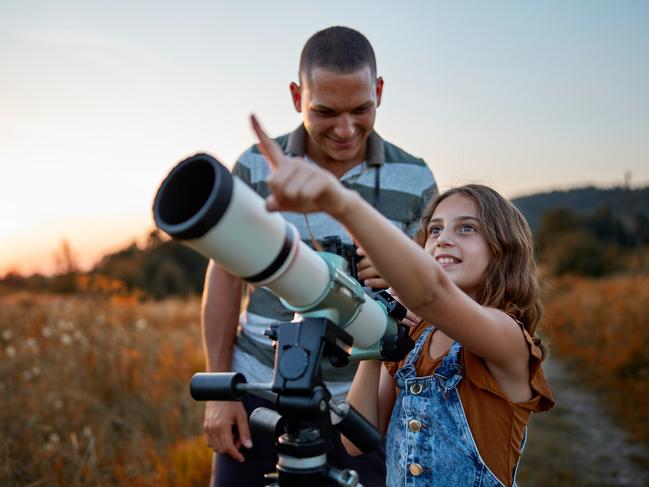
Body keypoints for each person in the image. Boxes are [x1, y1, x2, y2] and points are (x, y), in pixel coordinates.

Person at [252, 114, 555, 487]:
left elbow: (432, 294)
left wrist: (341, 204)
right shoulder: (416, 338)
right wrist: (377, 329)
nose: (443, 238)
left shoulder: (506, 337)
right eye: (435, 229)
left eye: (467, 228)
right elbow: (358, 438)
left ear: (503, 251)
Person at [202, 26, 438, 486]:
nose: (346, 129)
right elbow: (225, 277)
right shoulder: (254, 166)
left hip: (367, 405)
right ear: (296, 97)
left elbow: (437, 294)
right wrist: (220, 388)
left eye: (361, 109)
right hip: (262, 390)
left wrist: (399, 275)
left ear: (380, 91)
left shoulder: (416, 177)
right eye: (325, 111)